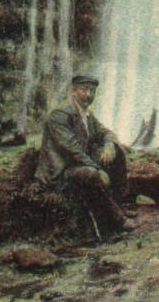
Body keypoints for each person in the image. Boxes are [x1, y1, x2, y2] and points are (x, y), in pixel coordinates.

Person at [34, 75, 130, 238]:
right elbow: (72, 149)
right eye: (84, 90)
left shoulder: (86, 115)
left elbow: (105, 132)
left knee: (117, 152)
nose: (88, 95)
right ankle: (117, 220)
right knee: (91, 174)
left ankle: (119, 205)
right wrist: (97, 168)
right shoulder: (60, 115)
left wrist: (108, 144)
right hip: (58, 172)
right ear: (72, 91)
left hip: (76, 165)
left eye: (92, 91)